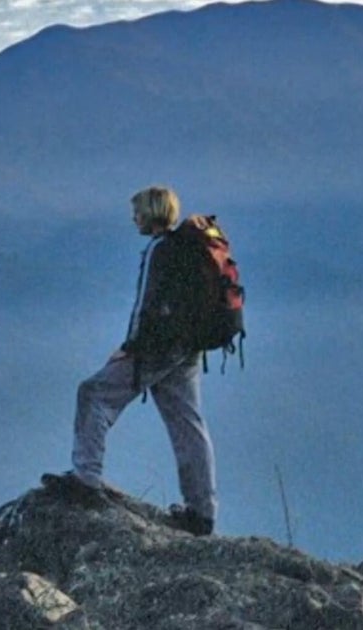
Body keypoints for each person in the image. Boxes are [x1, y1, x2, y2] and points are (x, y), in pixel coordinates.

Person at [46, 185, 218, 536]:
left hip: (157, 349)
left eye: (137, 211)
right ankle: (202, 513)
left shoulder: (158, 249)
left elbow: (146, 304)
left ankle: (86, 479)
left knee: (93, 393)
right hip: (187, 348)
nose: (133, 217)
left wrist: (130, 346)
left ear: (150, 212)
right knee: (187, 423)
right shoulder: (185, 248)